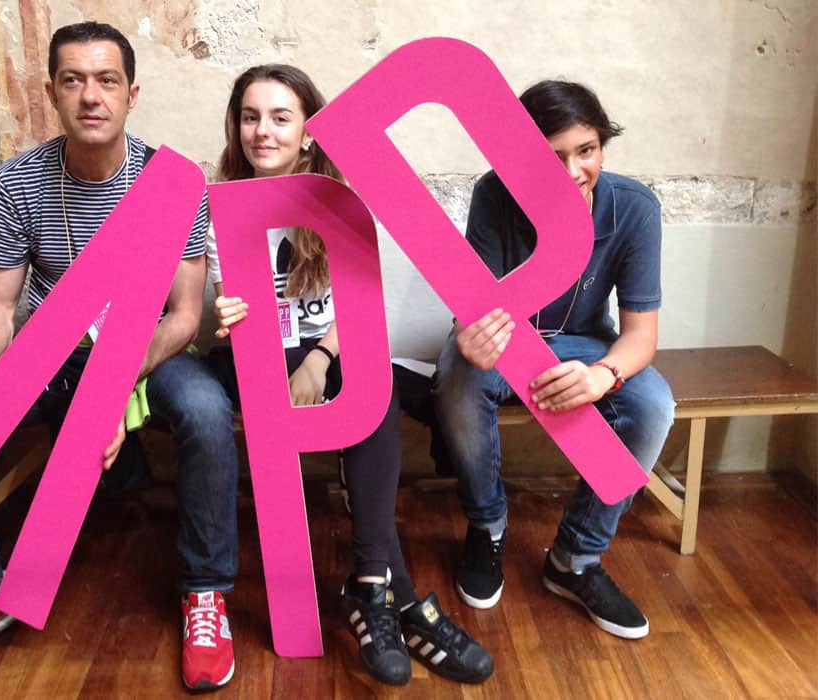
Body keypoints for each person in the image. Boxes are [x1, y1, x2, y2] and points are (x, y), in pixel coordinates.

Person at [0, 22, 240, 690]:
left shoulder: (171, 181)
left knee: (208, 411)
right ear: (51, 92)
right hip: (49, 354)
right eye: (73, 80)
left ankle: (205, 592)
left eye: (106, 81)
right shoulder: (19, 180)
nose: (90, 96)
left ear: (132, 94)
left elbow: (185, 316)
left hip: (145, 354)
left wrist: (113, 385)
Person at [207, 64, 493, 687]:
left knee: (375, 385)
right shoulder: (217, 210)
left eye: (280, 117)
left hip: (327, 354)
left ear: (308, 131)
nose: (263, 131)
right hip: (257, 358)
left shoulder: (339, 205)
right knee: (367, 383)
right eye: (250, 117)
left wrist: (319, 359)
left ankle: (372, 583)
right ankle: (400, 601)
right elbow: (232, 309)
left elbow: (360, 313)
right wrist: (228, 315)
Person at [432, 80, 675, 639]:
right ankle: (487, 526)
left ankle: (575, 559)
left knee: (654, 404)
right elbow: (475, 306)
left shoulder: (633, 208)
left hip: (585, 343)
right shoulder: (495, 194)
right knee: (457, 377)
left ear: (602, 146)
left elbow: (641, 336)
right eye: (550, 157)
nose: (570, 171)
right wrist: (466, 333)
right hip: (503, 335)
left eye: (585, 150)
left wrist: (603, 374)